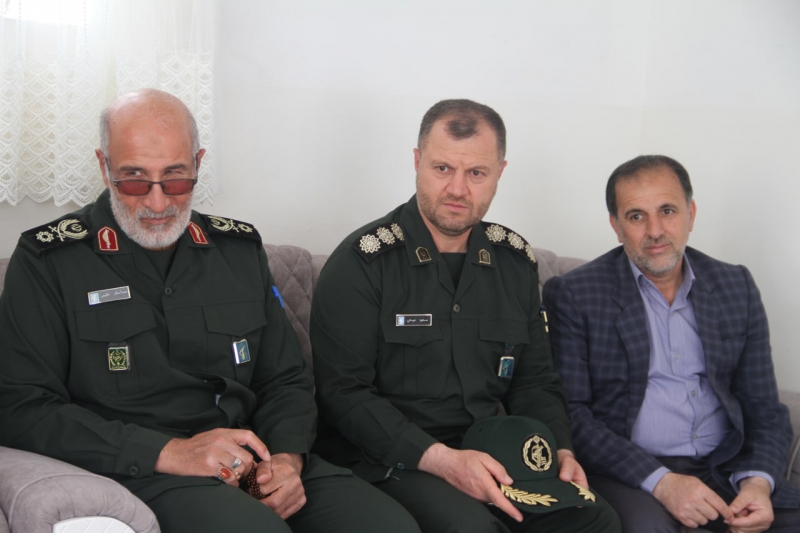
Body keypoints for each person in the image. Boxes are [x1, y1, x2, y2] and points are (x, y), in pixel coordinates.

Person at [0, 89, 420, 533]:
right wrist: (168, 452)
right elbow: (20, 407)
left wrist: (286, 458)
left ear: (198, 163)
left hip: (253, 459)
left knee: (388, 527)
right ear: (105, 168)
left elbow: (284, 377)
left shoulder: (237, 251)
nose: (158, 203)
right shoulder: (49, 261)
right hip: (147, 470)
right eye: (135, 179)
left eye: (176, 178)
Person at [310, 99, 620, 533]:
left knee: (595, 520)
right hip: (389, 458)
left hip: (494, 452)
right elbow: (344, 394)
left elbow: (534, 382)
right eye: (442, 168)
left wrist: (559, 450)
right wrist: (443, 460)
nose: (457, 189)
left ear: (499, 173)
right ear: (417, 162)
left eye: (476, 173)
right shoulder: (362, 263)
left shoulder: (514, 263)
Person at [542, 155, 800, 532]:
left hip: (724, 466)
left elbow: (764, 407)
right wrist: (663, 482)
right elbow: (571, 415)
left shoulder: (735, 286)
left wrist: (758, 482)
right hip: (630, 473)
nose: (655, 230)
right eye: (636, 216)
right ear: (616, 226)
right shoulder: (575, 294)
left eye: (667, 211)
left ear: (690, 214)